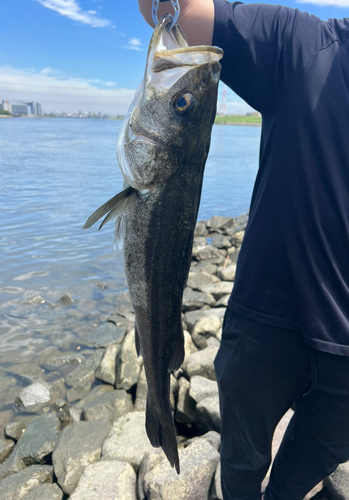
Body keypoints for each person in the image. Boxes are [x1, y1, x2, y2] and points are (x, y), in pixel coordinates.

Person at [138, 0, 349, 499]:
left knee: (312, 459)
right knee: (240, 461)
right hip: (265, 324)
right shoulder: (303, 46)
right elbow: (168, 8)